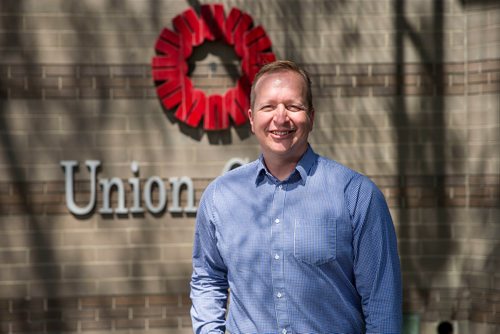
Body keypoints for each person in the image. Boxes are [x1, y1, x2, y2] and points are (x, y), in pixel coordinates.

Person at [190, 60, 402, 333]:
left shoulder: (357, 195)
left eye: (293, 106)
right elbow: (207, 279)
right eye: (268, 107)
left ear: (311, 117)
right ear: (252, 119)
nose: (280, 118)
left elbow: (381, 301)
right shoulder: (220, 197)